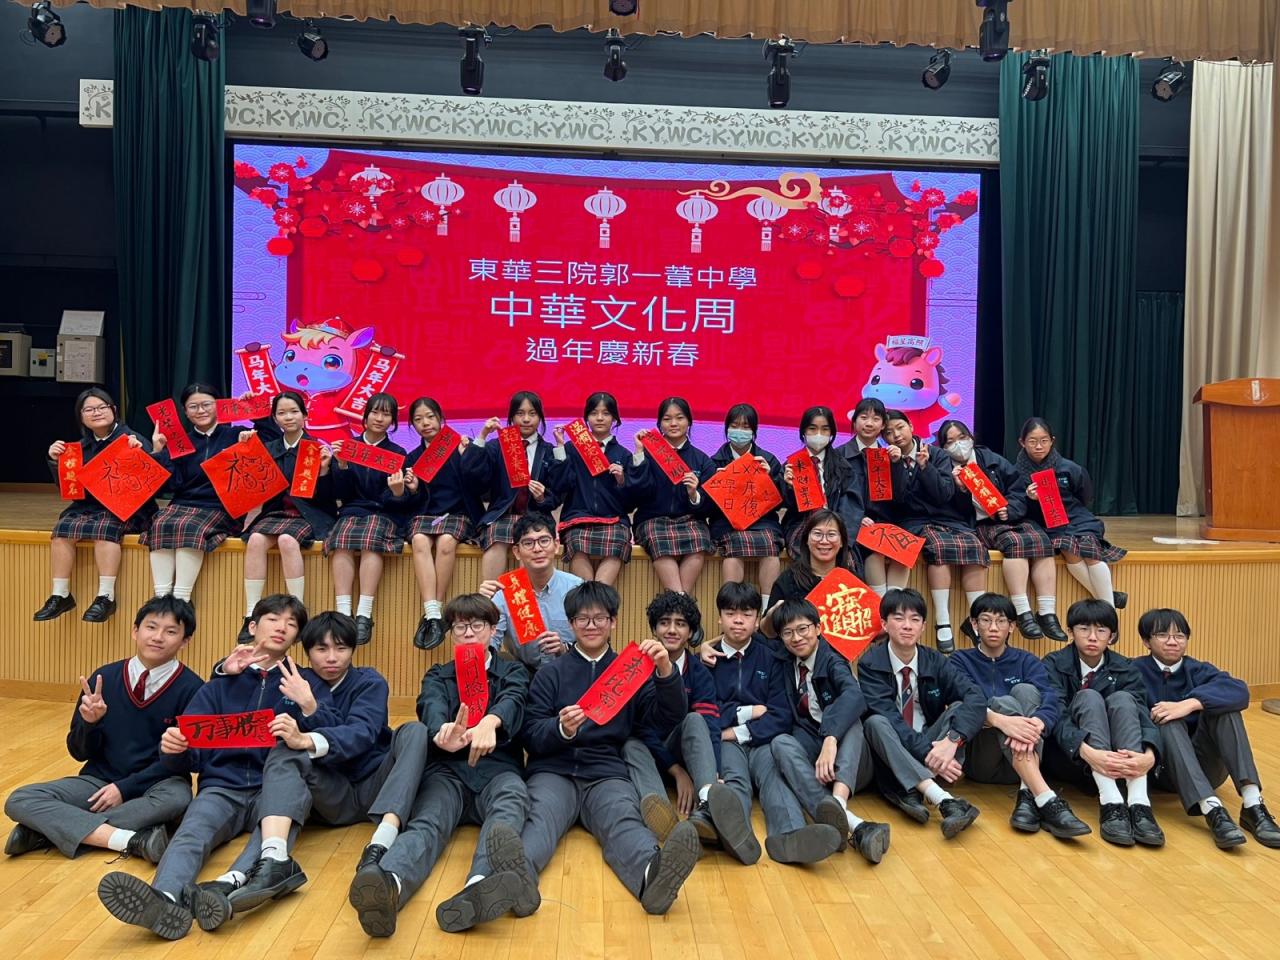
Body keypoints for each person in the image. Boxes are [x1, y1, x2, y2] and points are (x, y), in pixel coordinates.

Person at [96, 595, 332, 940]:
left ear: (297, 636)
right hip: (221, 786)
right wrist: (172, 750)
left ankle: (224, 890)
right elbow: (189, 752)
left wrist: (309, 705)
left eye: (291, 623)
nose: (282, 627)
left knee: (269, 841)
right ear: (252, 627)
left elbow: (332, 738)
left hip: (277, 789)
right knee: (191, 833)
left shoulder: (307, 683)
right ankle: (164, 899)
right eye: (273, 619)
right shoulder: (220, 683)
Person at [187, 612, 430, 928]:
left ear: (353, 650)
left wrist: (310, 719)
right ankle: (255, 868)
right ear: (306, 651)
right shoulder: (291, 682)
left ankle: (381, 842)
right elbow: (248, 699)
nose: (331, 658)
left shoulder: (369, 681)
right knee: (284, 751)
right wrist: (222, 671)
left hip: (376, 785)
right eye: (321, 649)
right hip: (329, 796)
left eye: (341, 648)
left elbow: (363, 734)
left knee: (414, 731)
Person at [347, 594, 535, 936]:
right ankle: (389, 884)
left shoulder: (513, 669)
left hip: (498, 769)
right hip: (447, 770)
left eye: (477, 625)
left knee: (510, 805)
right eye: (460, 627)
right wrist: (441, 732)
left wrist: (491, 721)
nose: (468, 633)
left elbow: (515, 697)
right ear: (451, 633)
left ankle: (479, 885)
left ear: (493, 630)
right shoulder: (438, 674)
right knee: (426, 822)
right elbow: (430, 705)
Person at [515, 582, 701, 916]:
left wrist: (665, 671)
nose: (591, 626)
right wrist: (561, 728)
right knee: (538, 820)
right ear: (571, 624)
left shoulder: (630, 672)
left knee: (624, 819)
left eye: (599, 618)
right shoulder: (550, 673)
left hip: (605, 772)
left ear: (613, 622)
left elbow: (668, 716)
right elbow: (530, 733)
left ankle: (653, 876)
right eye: (582, 619)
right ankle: (516, 883)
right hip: (553, 771)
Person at [5, 596, 202, 860]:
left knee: (178, 800)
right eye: (151, 627)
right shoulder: (104, 678)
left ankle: (48, 832)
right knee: (20, 799)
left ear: (185, 641)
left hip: (158, 785)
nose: (158, 637)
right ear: (135, 631)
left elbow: (185, 763)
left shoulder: (194, 689)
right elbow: (78, 752)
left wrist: (125, 789)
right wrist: (90, 724)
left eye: (170, 631)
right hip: (98, 781)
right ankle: (129, 839)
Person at [706, 581, 843, 864]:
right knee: (735, 780)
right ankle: (736, 837)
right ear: (719, 618)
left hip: (757, 739)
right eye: (730, 613)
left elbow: (780, 714)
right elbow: (709, 710)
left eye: (747, 614)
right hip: (726, 742)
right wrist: (747, 712)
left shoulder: (773, 658)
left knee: (774, 780)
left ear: (758, 620)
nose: (738, 620)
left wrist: (736, 731)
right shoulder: (708, 660)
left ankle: (790, 837)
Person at [623, 590, 758, 863]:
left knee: (695, 719)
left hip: (685, 751)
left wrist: (714, 771)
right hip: (651, 753)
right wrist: (676, 771)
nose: (672, 630)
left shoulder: (699, 671)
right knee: (630, 744)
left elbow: (710, 724)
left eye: (681, 624)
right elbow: (640, 728)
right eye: (664, 622)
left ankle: (707, 803)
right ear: (654, 628)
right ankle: (664, 817)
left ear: (691, 632)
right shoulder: (637, 669)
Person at [1135, 608, 1280, 849]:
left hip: (1206, 768)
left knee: (1226, 710)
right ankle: (1212, 810)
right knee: (1167, 720)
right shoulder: (1134, 670)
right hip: (1160, 768)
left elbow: (1240, 691)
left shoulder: (1198, 669)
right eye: (1162, 635)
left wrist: (1190, 704)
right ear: (1146, 641)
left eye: (1179, 636)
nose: (1172, 641)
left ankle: (1253, 803)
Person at [949, 593, 1091, 838]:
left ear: (1012, 626)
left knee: (1026, 690)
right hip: (983, 760)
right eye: (986, 620)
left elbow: (1051, 699)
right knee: (1001, 702)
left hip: (1025, 761)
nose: (994, 628)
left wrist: (1037, 722)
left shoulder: (1027, 661)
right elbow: (959, 703)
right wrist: (1003, 721)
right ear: (974, 624)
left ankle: (1027, 793)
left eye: (1001, 621)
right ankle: (1045, 798)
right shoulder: (959, 660)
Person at [767, 598, 893, 865]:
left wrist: (831, 738)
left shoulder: (832, 659)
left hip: (851, 766)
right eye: (788, 633)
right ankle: (852, 823)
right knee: (779, 743)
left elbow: (854, 696)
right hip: (814, 758)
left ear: (818, 628)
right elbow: (742, 637)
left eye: (803, 629)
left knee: (853, 723)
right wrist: (707, 645)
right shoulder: (784, 660)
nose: (796, 638)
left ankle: (838, 802)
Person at [857, 588, 984, 838]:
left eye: (915, 619)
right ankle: (942, 798)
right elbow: (892, 720)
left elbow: (975, 697)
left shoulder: (935, 660)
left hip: (932, 744)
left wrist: (952, 741)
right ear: (884, 624)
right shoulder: (870, 663)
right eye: (898, 618)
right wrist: (928, 754)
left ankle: (910, 789)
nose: (907, 626)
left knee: (959, 708)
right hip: (892, 749)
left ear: (923, 626)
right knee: (876, 723)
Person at [1041, 599, 1163, 847]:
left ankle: (1139, 803)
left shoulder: (1125, 667)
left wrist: (1150, 756)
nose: (1092, 637)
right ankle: (1111, 803)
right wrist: (1088, 752)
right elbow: (1056, 716)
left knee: (1123, 699)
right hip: (1070, 758)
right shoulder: (1053, 664)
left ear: (1112, 636)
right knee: (1089, 697)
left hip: (1121, 762)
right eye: (1084, 629)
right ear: (1070, 631)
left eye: (1101, 630)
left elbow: (1142, 714)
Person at [35, 388, 156, 623]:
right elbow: (70, 489)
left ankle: (106, 596)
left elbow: (152, 481)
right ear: (81, 417)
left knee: (105, 529)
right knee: (62, 529)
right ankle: (60, 594)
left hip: (129, 507)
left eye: (102, 407)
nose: (96, 413)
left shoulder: (132, 440)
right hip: (89, 506)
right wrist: (55, 461)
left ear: (114, 410)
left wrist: (142, 456)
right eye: (89, 409)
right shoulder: (78, 448)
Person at [936, 419, 1056, 642]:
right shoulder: (943, 468)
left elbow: (1017, 489)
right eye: (950, 442)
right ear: (942, 447)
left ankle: (1047, 612)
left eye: (962, 438)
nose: (958, 444)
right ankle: (1023, 612)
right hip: (979, 524)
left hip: (1007, 517)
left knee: (1042, 541)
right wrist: (959, 489)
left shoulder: (990, 459)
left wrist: (1009, 509)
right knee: (1015, 543)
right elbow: (947, 510)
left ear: (971, 438)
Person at [237, 390, 336, 642]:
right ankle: (250, 613)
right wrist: (245, 452)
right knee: (255, 540)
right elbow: (251, 487)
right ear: (275, 418)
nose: (288, 417)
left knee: (287, 540)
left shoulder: (317, 449)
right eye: (282, 413)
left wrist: (325, 471)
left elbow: (329, 495)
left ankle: (297, 613)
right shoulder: (269, 449)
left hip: (309, 514)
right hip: (276, 512)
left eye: (294, 412)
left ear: (305, 415)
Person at [878, 409, 975, 653]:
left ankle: (976, 615)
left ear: (911, 426)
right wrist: (897, 465)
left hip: (947, 518)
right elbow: (898, 501)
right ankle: (943, 621)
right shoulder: (885, 459)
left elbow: (944, 494)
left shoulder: (936, 453)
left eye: (900, 427)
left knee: (975, 545)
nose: (895, 435)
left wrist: (925, 467)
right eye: (888, 432)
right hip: (913, 521)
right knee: (938, 546)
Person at [143, 382, 243, 603]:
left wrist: (256, 415)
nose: (201, 410)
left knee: (189, 526)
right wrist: (158, 451)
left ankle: (182, 599)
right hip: (183, 504)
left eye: (207, 404)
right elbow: (171, 486)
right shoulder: (180, 442)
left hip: (219, 507)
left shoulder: (236, 435)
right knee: (160, 523)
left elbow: (270, 441)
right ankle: (161, 598)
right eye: (193, 406)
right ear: (185, 412)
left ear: (219, 405)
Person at [1015, 417, 1126, 613]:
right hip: (1048, 524)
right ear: (1022, 442)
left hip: (1077, 517)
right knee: (1068, 549)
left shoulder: (1069, 468)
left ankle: (1108, 611)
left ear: (1052, 441)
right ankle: (1109, 600)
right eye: (1032, 441)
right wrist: (1030, 499)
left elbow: (1085, 495)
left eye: (1044, 440)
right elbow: (1018, 508)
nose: (1039, 446)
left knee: (1090, 550)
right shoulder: (1016, 473)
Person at [325, 392, 410, 645]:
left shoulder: (397, 453)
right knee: (340, 540)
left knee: (371, 540)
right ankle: (343, 611)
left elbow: (397, 499)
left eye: (386, 414)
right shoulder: (348, 447)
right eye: (375, 412)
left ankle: (364, 613)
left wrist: (398, 492)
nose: (379, 418)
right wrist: (341, 466)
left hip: (382, 512)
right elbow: (341, 494)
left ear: (393, 421)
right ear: (365, 416)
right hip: (352, 510)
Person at [401, 396, 485, 650]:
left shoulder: (459, 445)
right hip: (426, 515)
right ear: (412, 425)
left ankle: (433, 614)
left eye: (430, 417)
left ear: (440, 418)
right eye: (418, 419)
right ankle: (434, 614)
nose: (425, 423)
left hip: (458, 514)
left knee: (447, 541)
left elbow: (479, 485)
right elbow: (412, 500)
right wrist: (413, 488)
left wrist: (466, 457)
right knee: (418, 539)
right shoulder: (413, 457)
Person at [628, 397, 715, 604]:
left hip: (690, 520)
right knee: (659, 541)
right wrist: (639, 453)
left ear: (689, 422)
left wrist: (694, 494)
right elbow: (635, 493)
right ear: (659, 424)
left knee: (701, 540)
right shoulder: (647, 455)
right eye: (667, 419)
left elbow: (710, 506)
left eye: (679, 418)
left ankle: (677, 605)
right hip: (652, 519)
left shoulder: (702, 459)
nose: (673, 423)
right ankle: (684, 605)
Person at [471, 390, 560, 583]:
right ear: (511, 417)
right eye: (520, 413)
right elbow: (474, 477)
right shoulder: (497, 446)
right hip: (502, 515)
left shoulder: (548, 451)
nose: (526, 419)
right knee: (497, 534)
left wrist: (542, 497)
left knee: (532, 540)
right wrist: (482, 436)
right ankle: (490, 598)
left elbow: (557, 494)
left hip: (536, 515)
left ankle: (528, 599)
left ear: (540, 417)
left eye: (532, 413)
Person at [478, 512, 583, 673]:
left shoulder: (576, 587)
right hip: (523, 674)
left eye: (544, 541)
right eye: (528, 543)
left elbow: (593, 639)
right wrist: (481, 609)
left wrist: (564, 649)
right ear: (516, 552)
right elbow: (488, 645)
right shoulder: (508, 591)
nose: (537, 549)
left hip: (569, 669)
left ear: (556, 545)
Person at [548, 392, 633, 586]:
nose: (600, 418)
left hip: (614, 519)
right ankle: (594, 595)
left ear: (614, 418)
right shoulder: (571, 449)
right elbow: (560, 485)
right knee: (576, 542)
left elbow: (630, 503)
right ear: (586, 417)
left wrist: (622, 480)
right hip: (577, 516)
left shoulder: (624, 454)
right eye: (594, 413)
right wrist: (560, 447)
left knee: (619, 540)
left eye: (606, 413)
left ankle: (595, 595)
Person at [708, 404, 785, 605]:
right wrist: (716, 487)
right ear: (726, 429)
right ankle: (731, 607)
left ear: (754, 431)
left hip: (763, 522)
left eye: (745, 427)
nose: (739, 431)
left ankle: (768, 608)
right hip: (728, 524)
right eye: (734, 426)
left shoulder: (768, 460)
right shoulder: (714, 462)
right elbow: (707, 508)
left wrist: (770, 479)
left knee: (770, 547)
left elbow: (779, 503)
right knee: (734, 549)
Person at [837, 397, 906, 596]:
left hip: (884, 523)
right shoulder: (839, 455)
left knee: (904, 551)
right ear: (854, 421)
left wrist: (897, 464)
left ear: (883, 425)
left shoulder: (889, 455)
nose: (869, 423)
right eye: (864, 417)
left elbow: (901, 497)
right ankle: (881, 603)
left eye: (876, 419)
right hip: (852, 523)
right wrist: (856, 518)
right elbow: (836, 497)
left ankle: (892, 604)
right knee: (874, 551)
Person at [780, 405, 860, 557]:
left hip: (836, 523)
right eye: (812, 428)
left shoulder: (843, 466)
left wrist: (841, 532)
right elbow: (786, 505)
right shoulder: (792, 465)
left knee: (847, 559)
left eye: (825, 429)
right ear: (803, 431)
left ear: (832, 433)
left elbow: (851, 504)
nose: (818, 434)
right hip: (802, 523)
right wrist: (789, 488)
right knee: (805, 554)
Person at [767, 508, 860, 618]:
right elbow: (766, 627)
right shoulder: (787, 580)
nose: (824, 541)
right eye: (817, 534)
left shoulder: (854, 581)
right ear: (806, 539)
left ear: (842, 542)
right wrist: (772, 615)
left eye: (831, 534)